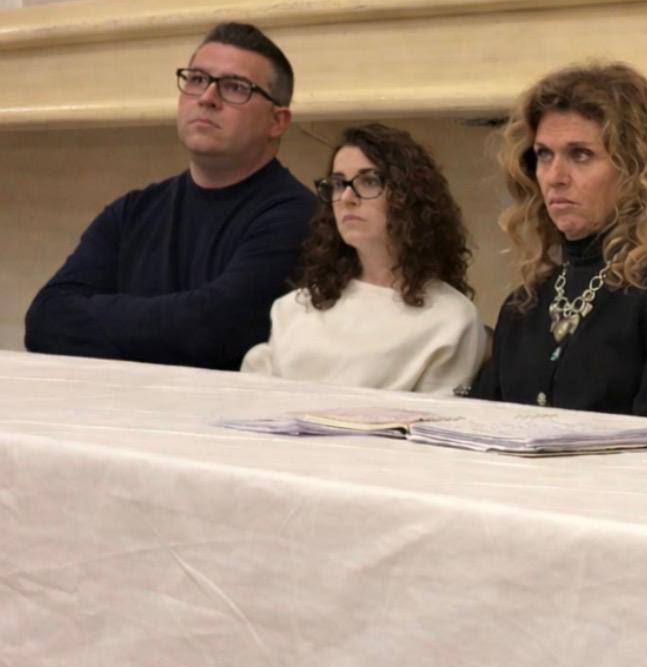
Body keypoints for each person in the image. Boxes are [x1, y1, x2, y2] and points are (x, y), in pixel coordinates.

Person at [24, 22, 312, 369]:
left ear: (277, 121)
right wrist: (170, 327)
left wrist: (99, 319)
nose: (207, 98)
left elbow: (217, 329)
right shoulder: (131, 212)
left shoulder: (298, 216)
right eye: (197, 79)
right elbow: (45, 318)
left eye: (235, 87)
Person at [470, 62, 647, 420]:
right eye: (544, 155)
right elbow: (481, 427)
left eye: (580, 155)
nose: (555, 177)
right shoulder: (525, 302)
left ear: (633, 169)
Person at [241, 124, 487, 394]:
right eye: (338, 184)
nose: (346, 198)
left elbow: (436, 418)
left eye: (369, 181)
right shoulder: (295, 308)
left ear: (409, 197)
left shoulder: (450, 320)